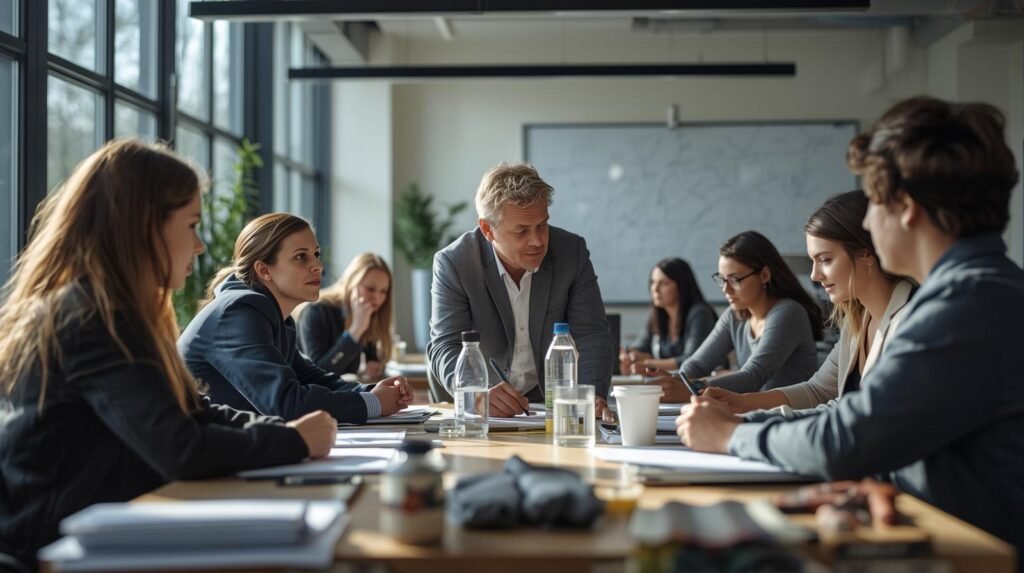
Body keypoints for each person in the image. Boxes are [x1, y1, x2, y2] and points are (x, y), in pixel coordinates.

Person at [677, 96, 1024, 559]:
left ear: (905, 207)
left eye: (874, 205)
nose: (869, 223)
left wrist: (729, 435)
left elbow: (848, 437)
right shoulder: (977, 291)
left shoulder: (967, 305)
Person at [0, 140, 336, 570]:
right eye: (192, 224)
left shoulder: (114, 309)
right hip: (57, 553)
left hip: (105, 532)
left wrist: (288, 431)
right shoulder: (91, 317)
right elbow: (181, 447)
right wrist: (292, 439)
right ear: (144, 227)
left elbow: (193, 411)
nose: (199, 245)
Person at [178, 214, 413, 424]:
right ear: (264, 271)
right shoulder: (239, 312)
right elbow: (286, 403)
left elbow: (311, 376)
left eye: (316, 254)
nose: (318, 266)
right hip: (200, 463)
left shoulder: (273, 314)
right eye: (301, 257)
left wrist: (371, 391)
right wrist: (373, 403)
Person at [700, 191, 914, 416]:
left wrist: (745, 424)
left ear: (867, 254)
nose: (814, 275)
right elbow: (818, 391)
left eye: (825, 260)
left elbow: (859, 419)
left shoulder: (909, 321)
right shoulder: (858, 319)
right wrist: (740, 403)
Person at [426, 162, 615, 417]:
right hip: (486, 406)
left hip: (551, 404)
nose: (537, 241)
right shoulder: (455, 263)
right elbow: (445, 346)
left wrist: (591, 394)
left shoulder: (572, 253)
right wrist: (475, 393)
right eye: (522, 231)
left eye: (542, 226)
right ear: (487, 229)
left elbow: (591, 334)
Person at [652, 231, 823, 401]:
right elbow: (698, 364)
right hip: (753, 413)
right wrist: (672, 381)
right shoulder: (735, 315)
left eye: (735, 280)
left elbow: (752, 377)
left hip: (790, 418)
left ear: (764, 275)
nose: (726, 289)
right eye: (722, 279)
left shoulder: (788, 312)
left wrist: (693, 388)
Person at [297, 252, 393, 378]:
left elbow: (371, 355)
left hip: (342, 393)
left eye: (383, 291)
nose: (377, 297)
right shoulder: (316, 311)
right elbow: (319, 373)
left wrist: (373, 363)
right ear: (351, 283)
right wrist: (355, 330)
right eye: (370, 289)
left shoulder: (366, 313)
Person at [619, 257, 717, 374]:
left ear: (681, 286)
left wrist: (648, 363)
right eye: (653, 282)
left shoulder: (700, 313)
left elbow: (691, 360)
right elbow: (641, 345)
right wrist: (630, 355)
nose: (655, 289)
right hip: (667, 385)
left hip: (700, 386)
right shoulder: (657, 315)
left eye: (664, 283)